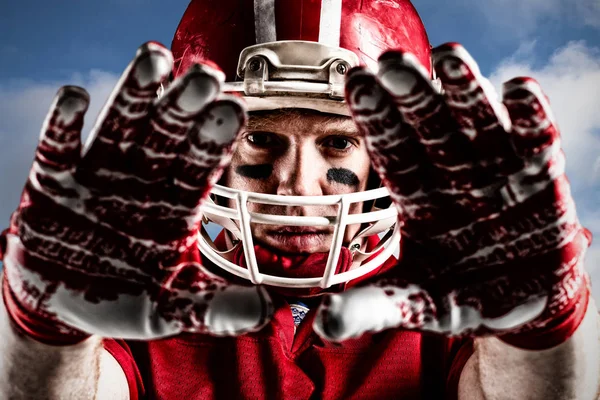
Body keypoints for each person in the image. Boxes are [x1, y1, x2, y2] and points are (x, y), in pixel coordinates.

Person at [0, 0, 598, 399]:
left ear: (389, 154)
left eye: (338, 142)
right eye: (259, 138)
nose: (295, 185)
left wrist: (534, 333)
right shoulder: (141, 294)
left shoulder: (453, 294)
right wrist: (48, 335)